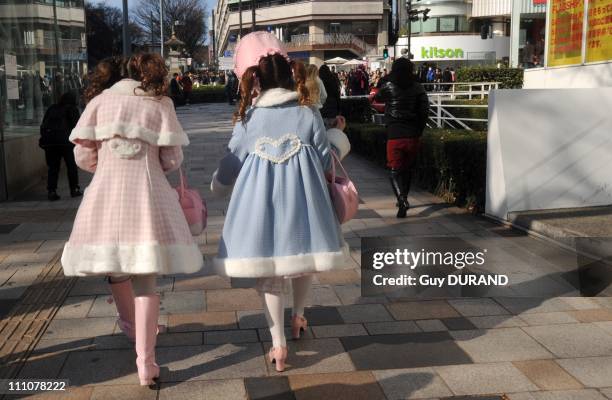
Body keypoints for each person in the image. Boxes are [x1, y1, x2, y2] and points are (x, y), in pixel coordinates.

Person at [210, 32, 350, 372]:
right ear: (290, 76)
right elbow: (322, 159)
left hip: (261, 211)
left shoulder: (250, 119)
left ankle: (278, 346)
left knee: (270, 274)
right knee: (303, 261)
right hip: (305, 205)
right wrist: (338, 137)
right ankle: (299, 317)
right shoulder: (308, 113)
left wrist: (219, 184)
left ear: (257, 82)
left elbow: (231, 163)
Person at [61, 53, 203, 387]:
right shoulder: (159, 104)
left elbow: (82, 155)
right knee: (146, 281)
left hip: (106, 196)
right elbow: (172, 157)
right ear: (145, 72)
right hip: (149, 196)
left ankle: (128, 326)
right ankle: (146, 362)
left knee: (116, 265)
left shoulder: (99, 103)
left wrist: (109, 165)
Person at [374, 58, 429, 218]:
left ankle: (402, 199)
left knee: (394, 170)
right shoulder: (418, 87)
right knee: (407, 169)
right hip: (413, 134)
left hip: (394, 134)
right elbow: (425, 110)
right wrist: (419, 130)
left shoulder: (389, 86)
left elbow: (377, 97)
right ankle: (403, 196)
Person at [39, 92, 83, 201]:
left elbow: (43, 124)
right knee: (71, 166)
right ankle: (74, 189)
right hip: (66, 142)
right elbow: (77, 126)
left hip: (51, 142)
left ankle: (51, 191)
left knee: (53, 168)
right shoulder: (72, 109)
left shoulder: (52, 108)